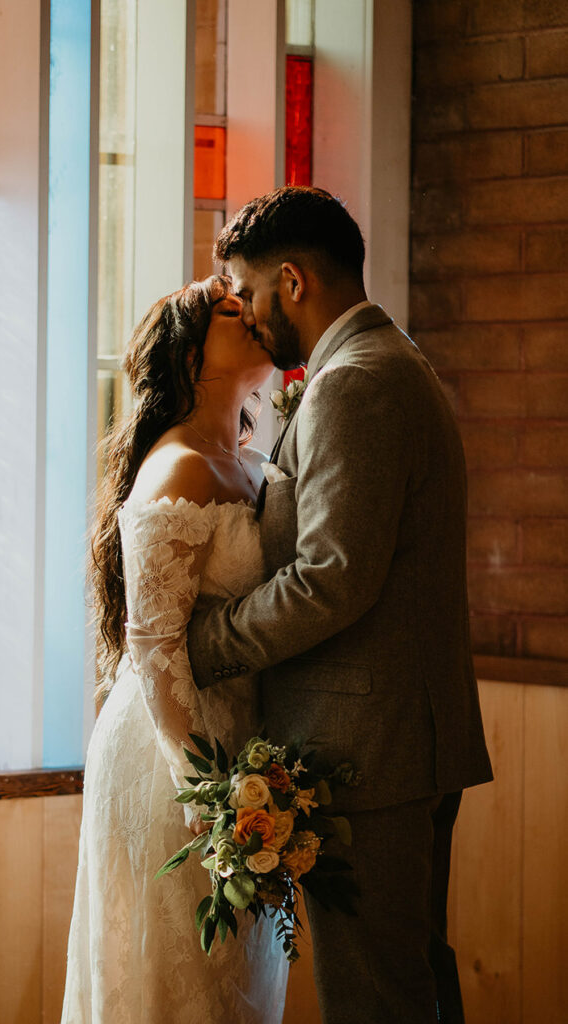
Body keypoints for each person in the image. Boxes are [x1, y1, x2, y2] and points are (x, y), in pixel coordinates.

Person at [186, 186, 493, 1024]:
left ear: (292, 280)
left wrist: (209, 641)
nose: (246, 315)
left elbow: (331, 576)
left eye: (247, 293)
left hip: (371, 749)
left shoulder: (356, 383)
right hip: (396, 738)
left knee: (376, 997)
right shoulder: (384, 363)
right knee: (407, 979)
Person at [60, 276, 289, 1024]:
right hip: (174, 762)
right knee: (177, 983)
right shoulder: (179, 465)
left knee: (235, 986)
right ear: (190, 357)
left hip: (239, 748)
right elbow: (153, 647)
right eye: (229, 311)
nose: (250, 314)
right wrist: (212, 798)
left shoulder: (250, 464)